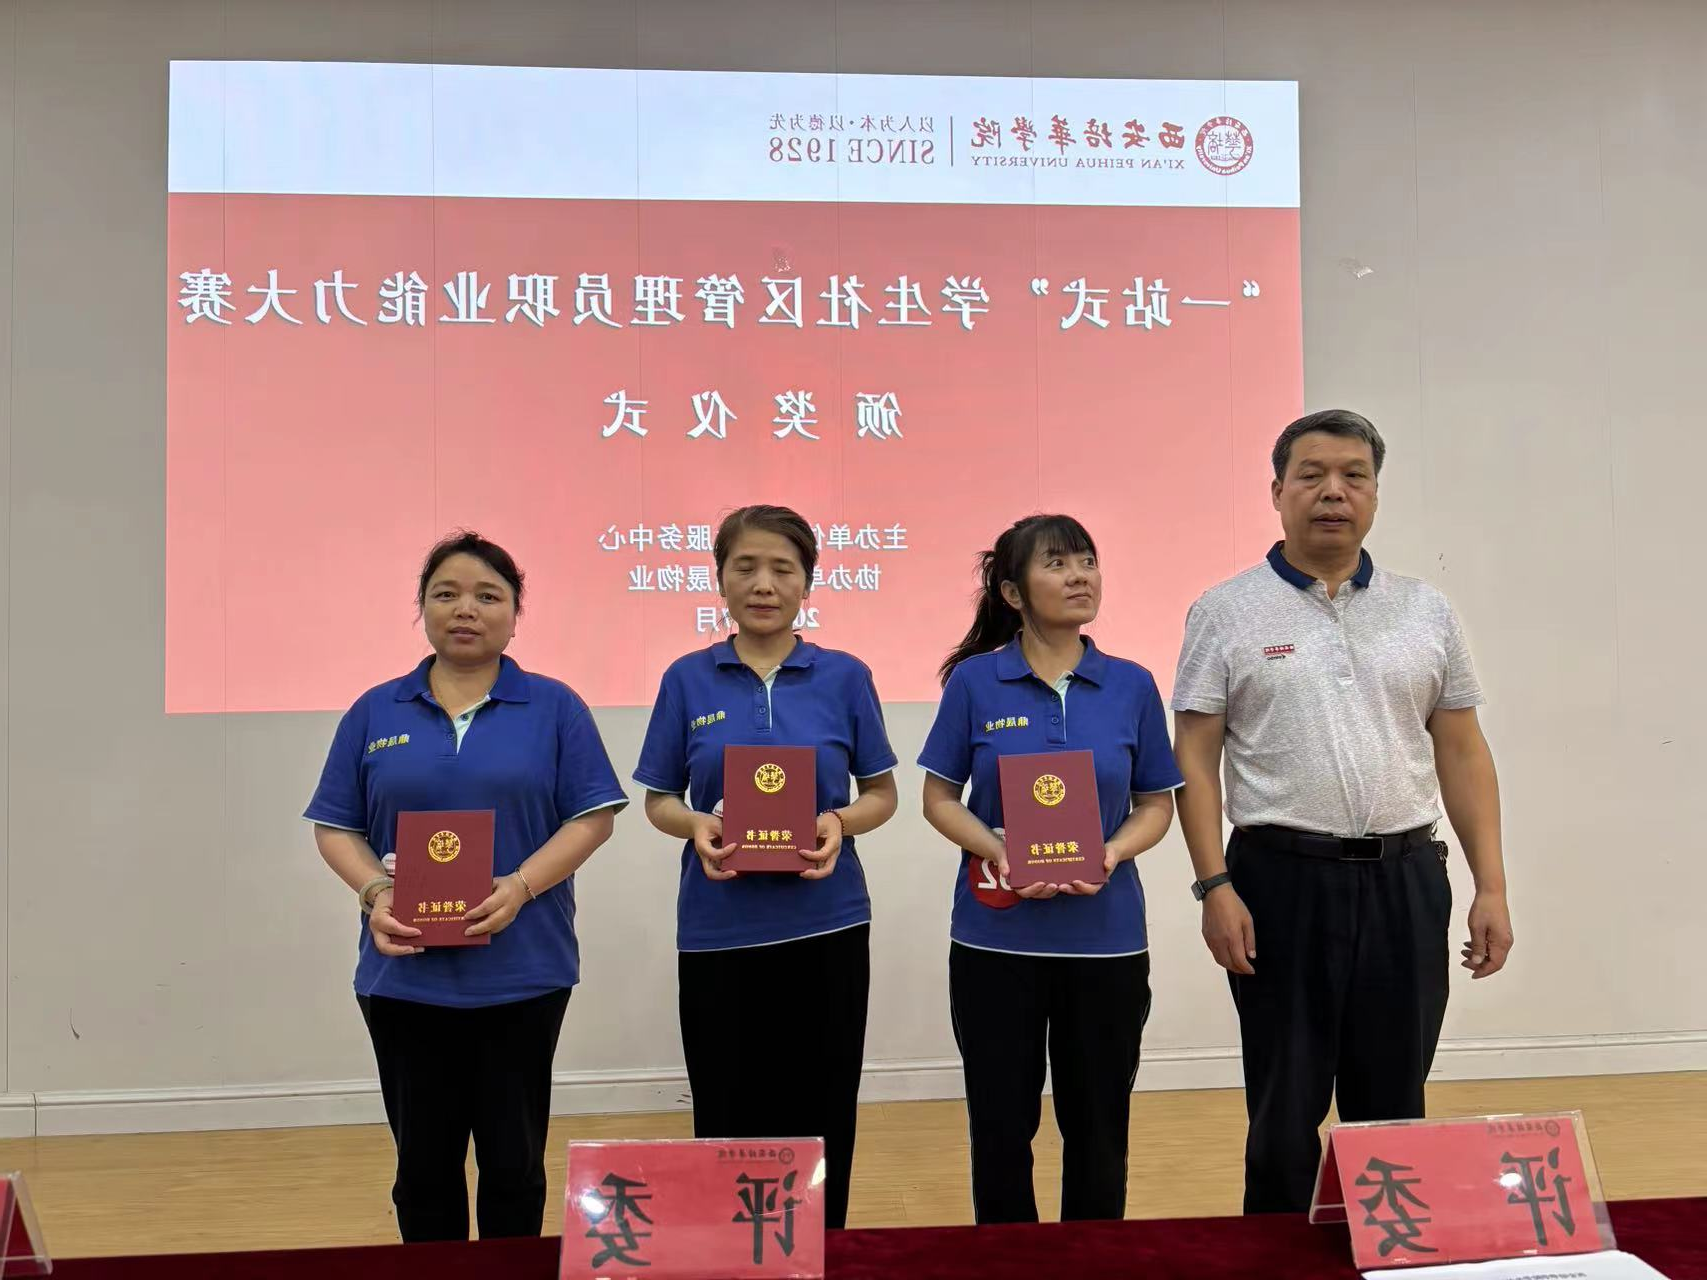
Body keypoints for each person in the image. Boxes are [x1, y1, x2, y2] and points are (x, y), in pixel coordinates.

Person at [1171, 409, 1515, 1214]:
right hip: (1279, 882)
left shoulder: (1424, 610)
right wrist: (1213, 885)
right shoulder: (1225, 610)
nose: (1334, 492)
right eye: (1312, 475)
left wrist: (1491, 886)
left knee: (1393, 1098)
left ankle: (1387, 1249)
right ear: (1277, 492)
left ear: (1375, 494)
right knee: (1284, 1107)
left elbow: (1463, 751)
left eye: (1354, 476)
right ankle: (1275, 1258)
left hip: (1406, 878)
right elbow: (1193, 757)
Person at [306, 531, 627, 1241]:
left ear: (516, 613)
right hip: (404, 978)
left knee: (514, 1167)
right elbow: (336, 827)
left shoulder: (555, 707)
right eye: (446, 593)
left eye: (488, 595)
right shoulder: (375, 711)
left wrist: (520, 886)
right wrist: (375, 893)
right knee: (423, 1170)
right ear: (421, 606)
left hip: (523, 974)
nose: (466, 609)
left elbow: (593, 817)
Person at [634, 504, 899, 1230]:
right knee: (727, 1109)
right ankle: (733, 1253)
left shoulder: (845, 677)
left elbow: (881, 795)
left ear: (807, 582)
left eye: (783, 568)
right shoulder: (687, 679)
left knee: (823, 1107)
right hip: (719, 929)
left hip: (827, 924)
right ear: (718, 578)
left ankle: (818, 1249)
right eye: (745, 566)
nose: (763, 584)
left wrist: (838, 822)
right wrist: (697, 824)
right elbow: (658, 800)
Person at [918, 514, 1182, 1224]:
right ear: (1012, 591)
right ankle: (1007, 1263)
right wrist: (997, 849)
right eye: (1058, 564)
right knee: (1001, 1129)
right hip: (995, 940)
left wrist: (1113, 851)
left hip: (1106, 942)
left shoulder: (1131, 685)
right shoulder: (976, 682)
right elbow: (938, 799)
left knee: (1098, 1128)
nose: (1079, 577)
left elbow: (1156, 804)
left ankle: (1091, 1262)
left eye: (1087, 562)